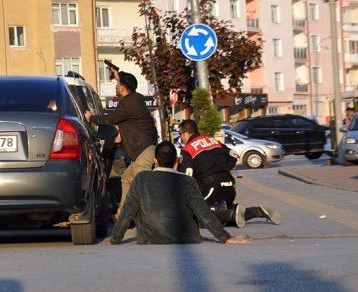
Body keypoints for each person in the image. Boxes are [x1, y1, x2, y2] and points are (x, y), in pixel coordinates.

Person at [102, 141, 250, 245]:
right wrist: (225, 237)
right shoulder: (188, 182)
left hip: (148, 238)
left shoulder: (141, 179)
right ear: (176, 161)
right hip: (186, 237)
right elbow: (204, 213)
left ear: (155, 161)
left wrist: (114, 239)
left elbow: (128, 212)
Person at [84, 68, 157, 222]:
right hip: (140, 150)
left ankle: (150, 222)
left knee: (141, 187)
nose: (115, 85)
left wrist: (91, 118)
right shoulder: (134, 99)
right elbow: (129, 123)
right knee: (126, 178)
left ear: (123, 86)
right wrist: (120, 134)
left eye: (117, 83)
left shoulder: (130, 102)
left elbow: (111, 119)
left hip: (144, 149)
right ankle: (122, 216)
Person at [178, 119, 281, 228]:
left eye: (180, 134)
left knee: (197, 217)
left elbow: (186, 177)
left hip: (210, 187)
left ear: (186, 133)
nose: (181, 137)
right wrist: (223, 170)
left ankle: (231, 215)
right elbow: (234, 155)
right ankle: (258, 211)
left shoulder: (188, 149)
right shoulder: (213, 141)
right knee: (228, 214)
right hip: (229, 185)